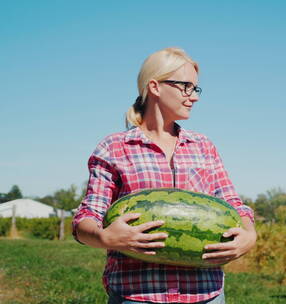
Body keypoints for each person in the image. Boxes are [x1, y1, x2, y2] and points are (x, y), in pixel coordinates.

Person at [72, 47, 257, 304]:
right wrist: (104, 237)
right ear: (155, 87)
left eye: (196, 88)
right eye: (186, 87)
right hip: (137, 295)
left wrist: (249, 235)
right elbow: (86, 218)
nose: (194, 96)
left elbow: (234, 205)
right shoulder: (114, 148)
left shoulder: (203, 146)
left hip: (206, 295)